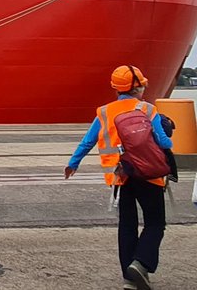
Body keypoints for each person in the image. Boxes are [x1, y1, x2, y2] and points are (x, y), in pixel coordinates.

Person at [65, 65, 173, 290]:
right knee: (155, 223)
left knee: (127, 224)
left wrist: (73, 163)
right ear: (138, 87)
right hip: (150, 175)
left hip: (121, 176)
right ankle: (141, 263)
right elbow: (164, 143)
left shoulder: (104, 112)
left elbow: (88, 141)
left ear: (116, 88)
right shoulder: (148, 109)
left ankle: (128, 277)